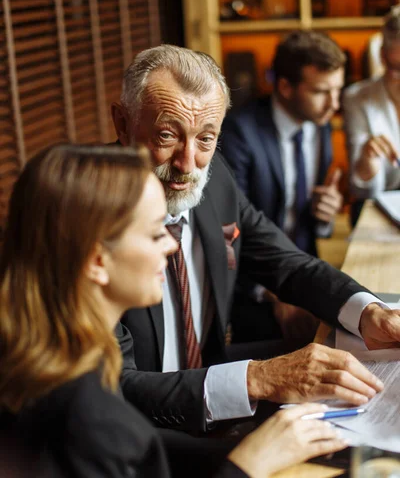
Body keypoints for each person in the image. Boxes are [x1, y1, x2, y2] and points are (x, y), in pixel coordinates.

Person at [0, 143, 348, 478]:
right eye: (155, 234)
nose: (172, 244)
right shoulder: (79, 409)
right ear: (97, 261)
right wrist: (245, 465)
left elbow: (138, 452)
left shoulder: (60, 351)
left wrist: (255, 446)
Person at [112, 44, 400, 436]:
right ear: (122, 123)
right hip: (142, 432)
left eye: (206, 139)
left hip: (212, 390)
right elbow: (114, 388)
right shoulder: (86, 217)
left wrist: (369, 313)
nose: (187, 163)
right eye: (166, 135)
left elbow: (285, 262)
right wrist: (256, 379)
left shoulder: (215, 181)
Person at [220, 30, 344, 343]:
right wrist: (276, 294)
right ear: (285, 86)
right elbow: (231, 227)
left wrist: (325, 217)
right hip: (253, 288)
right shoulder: (240, 132)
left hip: (303, 273)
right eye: (321, 91)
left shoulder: (320, 123)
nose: (334, 103)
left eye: (338, 90)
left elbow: (309, 223)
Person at [343, 6, 400, 211]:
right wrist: (368, 160)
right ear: (382, 57)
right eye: (398, 68)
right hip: (381, 202)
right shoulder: (356, 98)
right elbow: (362, 192)